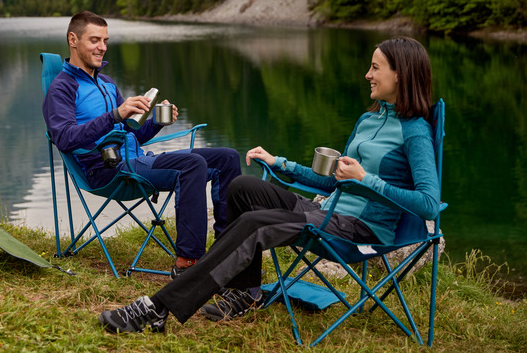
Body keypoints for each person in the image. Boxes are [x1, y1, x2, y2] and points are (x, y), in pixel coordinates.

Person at [97, 36, 440, 333]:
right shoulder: (369, 118)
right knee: (242, 187)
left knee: (254, 223)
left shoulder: (415, 131)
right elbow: (329, 181)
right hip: (328, 211)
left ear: (401, 74)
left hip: (361, 231)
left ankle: (157, 308)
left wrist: (367, 180)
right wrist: (280, 163)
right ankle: (247, 291)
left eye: (376, 68)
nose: (368, 74)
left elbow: (428, 204)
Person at [43, 11, 241, 277]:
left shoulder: (106, 83)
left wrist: (157, 122)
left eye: (105, 40)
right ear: (73, 40)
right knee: (191, 165)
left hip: (136, 160)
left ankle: (228, 250)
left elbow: (131, 133)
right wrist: (115, 115)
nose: (102, 47)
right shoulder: (62, 88)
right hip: (106, 170)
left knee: (227, 158)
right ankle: (190, 265)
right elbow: (64, 138)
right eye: (94, 40)